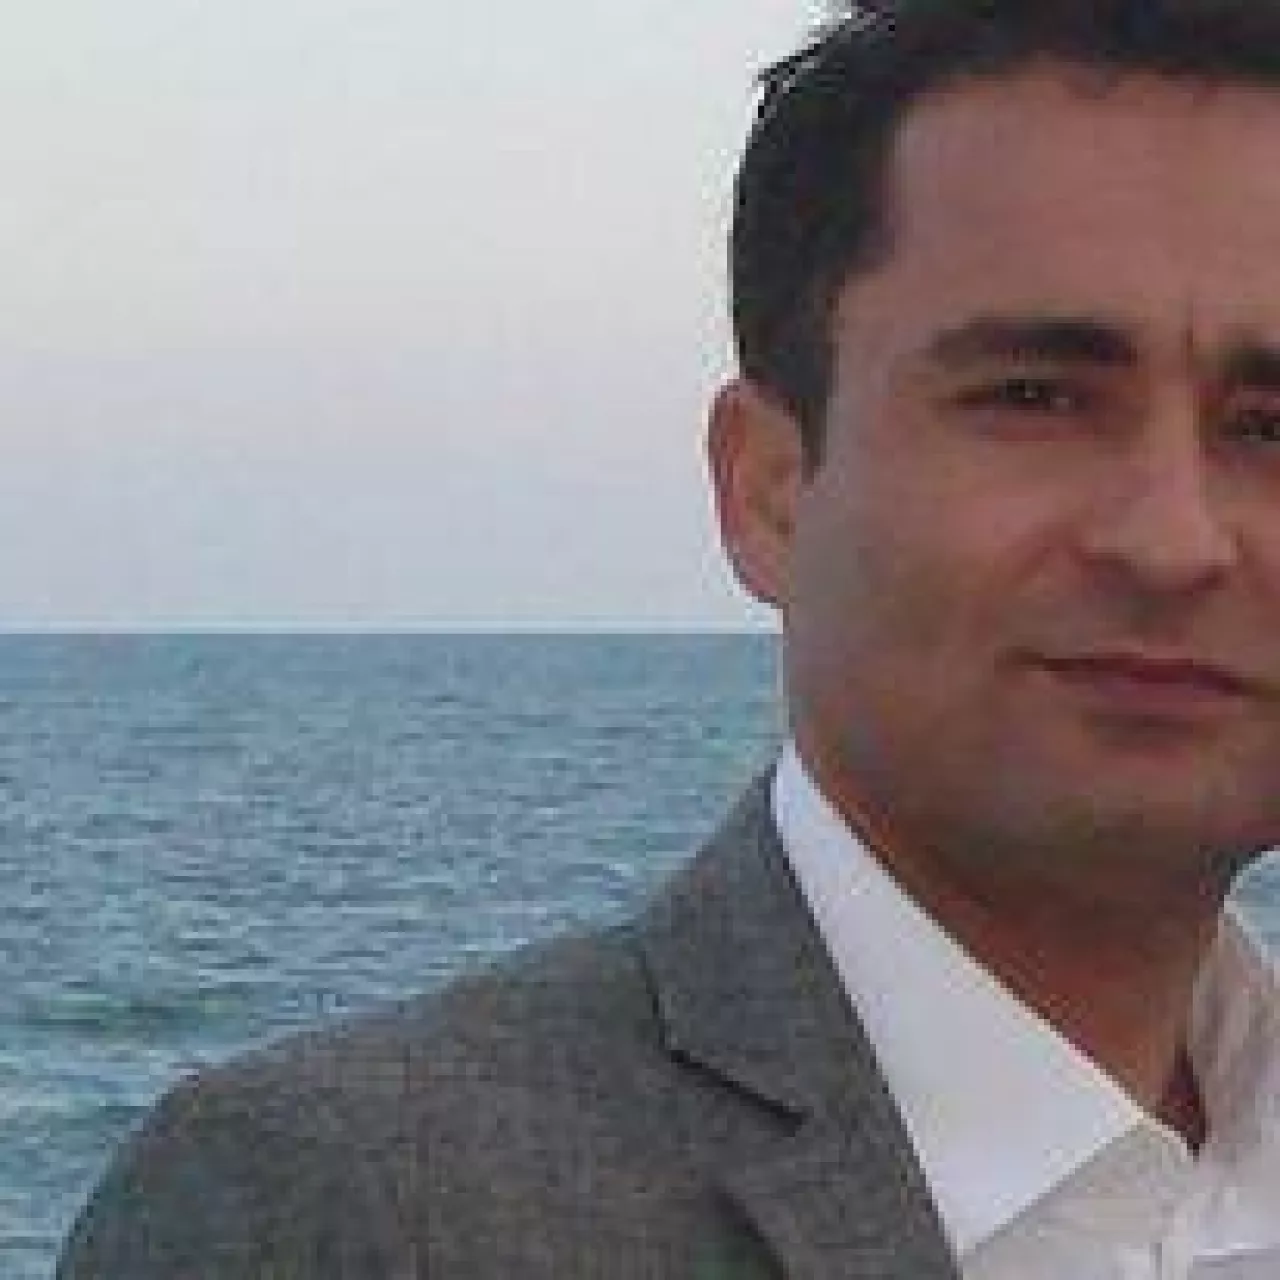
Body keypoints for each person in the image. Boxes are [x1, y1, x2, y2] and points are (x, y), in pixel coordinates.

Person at [57, 2, 1280, 1275]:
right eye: (1033, 398)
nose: (1171, 538)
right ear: (767, 488)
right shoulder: (346, 1207)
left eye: (1267, 425)